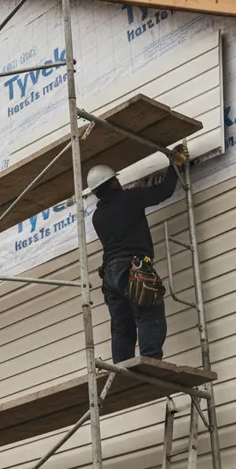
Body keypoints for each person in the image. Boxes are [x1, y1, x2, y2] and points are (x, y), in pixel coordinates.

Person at [86, 143, 187, 363]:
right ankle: (150, 361)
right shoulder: (128, 199)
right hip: (132, 267)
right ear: (113, 182)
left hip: (110, 276)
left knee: (122, 326)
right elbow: (164, 191)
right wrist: (175, 165)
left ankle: (122, 368)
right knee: (149, 312)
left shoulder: (97, 217)